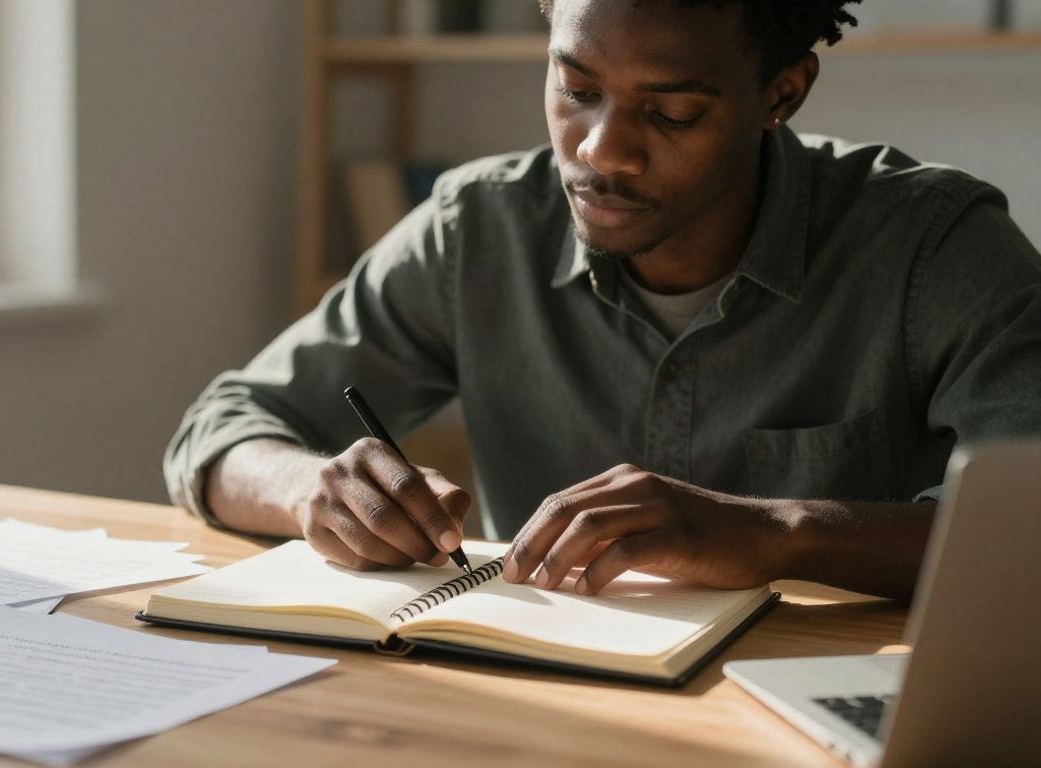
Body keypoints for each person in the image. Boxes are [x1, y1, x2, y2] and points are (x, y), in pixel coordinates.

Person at [164, 0, 1041, 601]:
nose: (603, 150)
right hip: (553, 708)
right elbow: (219, 429)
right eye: (577, 90)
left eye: (671, 115)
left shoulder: (935, 246)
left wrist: (783, 531)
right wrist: (312, 490)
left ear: (783, 93)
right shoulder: (480, 228)